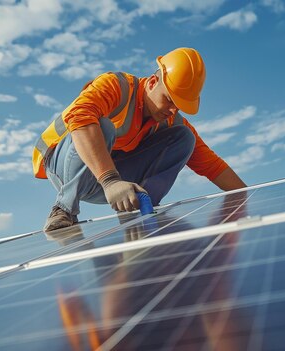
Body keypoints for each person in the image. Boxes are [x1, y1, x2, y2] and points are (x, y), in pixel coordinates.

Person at [32, 47, 247, 232]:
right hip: (64, 167)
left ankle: (138, 213)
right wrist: (110, 181)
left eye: (179, 106)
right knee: (101, 124)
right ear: (153, 82)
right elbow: (80, 118)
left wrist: (247, 197)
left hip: (108, 183)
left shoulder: (171, 121)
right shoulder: (116, 86)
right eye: (169, 100)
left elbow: (212, 166)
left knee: (184, 139)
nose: (172, 110)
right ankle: (63, 210)